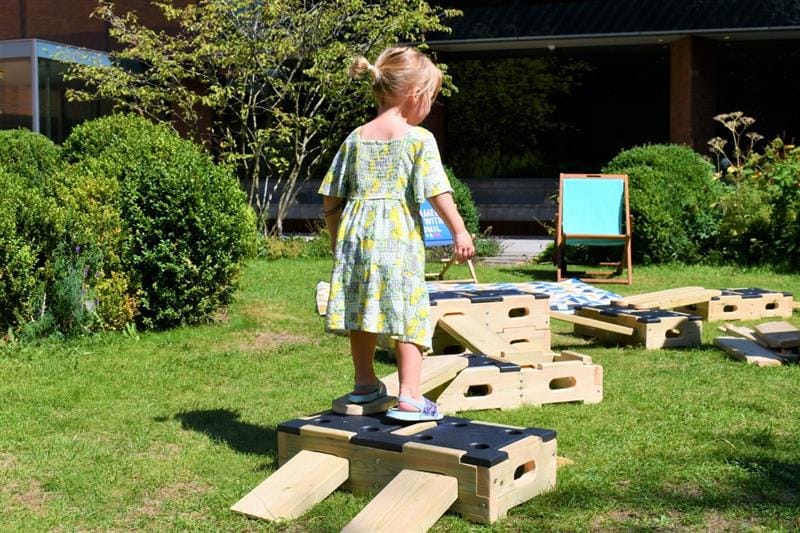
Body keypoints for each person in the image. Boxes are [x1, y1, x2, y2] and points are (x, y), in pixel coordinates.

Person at [319, 46, 474, 422]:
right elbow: (438, 191)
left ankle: (365, 386)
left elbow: (330, 198)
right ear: (415, 95)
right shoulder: (418, 139)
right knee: (407, 311)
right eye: (432, 98)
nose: (431, 106)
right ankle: (409, 397)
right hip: (397, 238)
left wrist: (337, 238)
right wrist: (460, 231)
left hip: (356, 237)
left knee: (362, 309)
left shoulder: (355, 138)